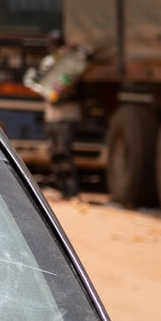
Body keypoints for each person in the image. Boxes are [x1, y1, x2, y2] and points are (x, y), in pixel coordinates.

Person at [26, 33, 91, 199]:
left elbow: (79, 90)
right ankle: (63, 189)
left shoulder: (71, 63)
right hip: (52, 115)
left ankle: (71, 190)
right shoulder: (50, 62)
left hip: (67, 115)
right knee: (56, 153)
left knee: (64, 152)